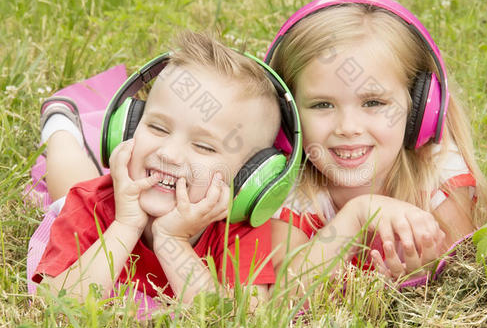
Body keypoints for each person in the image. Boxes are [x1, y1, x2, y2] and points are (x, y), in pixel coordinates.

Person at [32, 31, 292, 306]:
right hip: (96, 198)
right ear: (129, 128)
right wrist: (126, 224)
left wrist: (173, 241)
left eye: (204, 146)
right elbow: (54, 304)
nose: (168, 153)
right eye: (157, 127)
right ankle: (59, 126)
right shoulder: (90, 202)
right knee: (65, 179)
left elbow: (240, 320)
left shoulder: (239, 232)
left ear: (248, 178)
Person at [264, 0, 487, 296]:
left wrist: (425, 272)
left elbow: (468, 272)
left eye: (373, 102)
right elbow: (281, 296)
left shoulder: (436, 173)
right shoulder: (294, 191)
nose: (348, 128)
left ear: (420, 109)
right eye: (322, 105)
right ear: (288, 115)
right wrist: (357, 215)